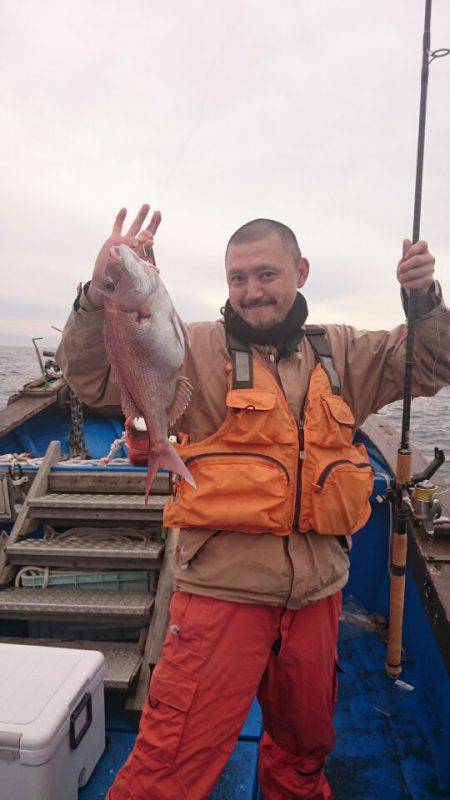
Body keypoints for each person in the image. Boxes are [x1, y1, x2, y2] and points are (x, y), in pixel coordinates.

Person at [56, 205, 450, 800]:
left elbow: (431, 363)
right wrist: (100, 296)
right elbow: (93, 379)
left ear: (301, 271)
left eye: (267, 274)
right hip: (220, 595)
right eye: (238, 278)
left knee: (304, 752)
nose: (252, 291)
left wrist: (424, 302)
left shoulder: (343, 350)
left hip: (317, 595)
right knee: (169, 766)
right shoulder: (192, 345)